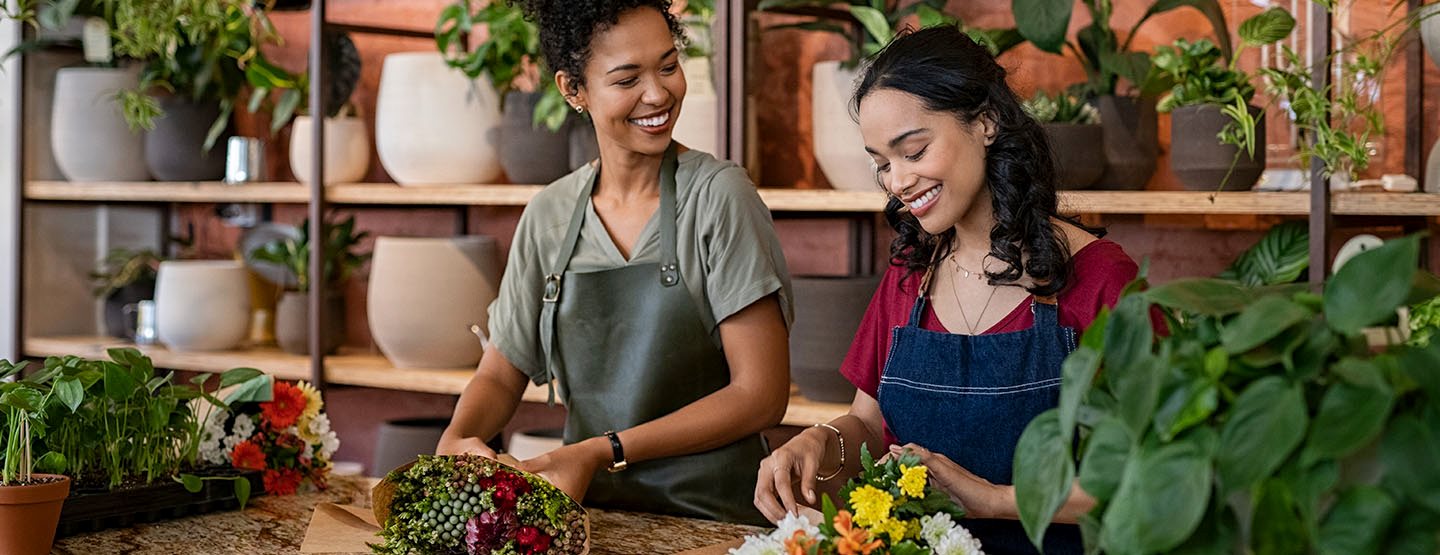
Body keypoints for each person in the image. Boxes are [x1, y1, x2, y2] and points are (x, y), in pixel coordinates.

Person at [752, 26, 1141, 554]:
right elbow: (869, 420)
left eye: (913, 150)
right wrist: (822, 441)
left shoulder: (1102, 280)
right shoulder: (912, 275)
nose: (898, 181)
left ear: (986, 121)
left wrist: (995, 499)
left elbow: (1149, 474)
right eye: (882, 163)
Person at [437, 0, 793, 527]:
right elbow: (500, 372)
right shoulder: (549, 217)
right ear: (572, 89)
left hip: (716, 519)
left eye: (668, 66)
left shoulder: (719, 197)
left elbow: (761, 394)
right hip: (590, 519)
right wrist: (457, 437)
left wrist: (598, 452)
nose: (658, 94)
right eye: (627, 79)